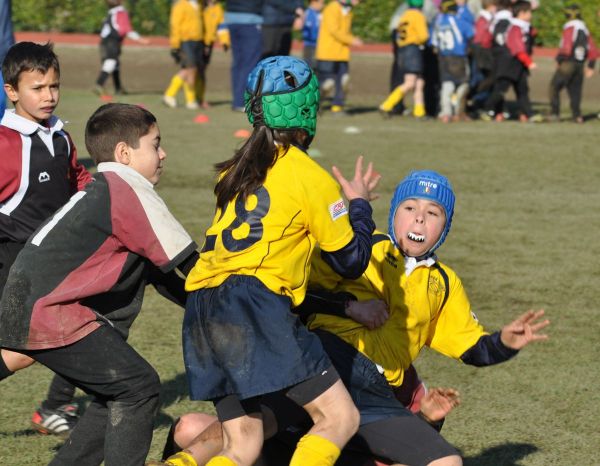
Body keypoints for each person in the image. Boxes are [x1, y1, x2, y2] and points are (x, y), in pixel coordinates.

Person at [182, 55, 380, 466]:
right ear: (307, 109)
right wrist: (358, 206)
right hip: (253, 302)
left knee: (243, 442)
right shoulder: (311, 177)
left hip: (201, 305)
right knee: (339, 417)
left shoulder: (232, 172)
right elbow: (351, 262)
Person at [0, 102, 199, 466]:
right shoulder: (129, 189)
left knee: (115, 393)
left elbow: (159, 273)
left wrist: (200, 304)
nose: (163, 153)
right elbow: (191, 264)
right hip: (48, 310)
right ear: (124, 153)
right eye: (155, 144)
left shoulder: (104, 185)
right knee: (138, 387)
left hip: (32, 302)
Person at [0, 41, 92, 438]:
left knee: (84, 325)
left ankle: (56, 406)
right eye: (37, 88)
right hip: (13, 266)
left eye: (54, 86)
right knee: (25, 351)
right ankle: (55, 407)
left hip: (52, 263)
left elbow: (77, 182)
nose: (49, 96)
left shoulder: (59, 136)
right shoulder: (5, 144)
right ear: (12, 91)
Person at [482, 0, 539, 122]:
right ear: (522, 13)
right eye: (529, 12)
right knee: (501, 89)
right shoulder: (515, 27)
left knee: (523, 90)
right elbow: (517, 47)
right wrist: (529, 62)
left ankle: (529, 114)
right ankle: (487, 109)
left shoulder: (521, 26)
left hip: (518, 64)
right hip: (509, 64)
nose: (531, 15)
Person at [548, 3, 599, 123]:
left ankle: (555, 114)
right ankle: (577, 116)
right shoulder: (584, 29)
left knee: (554, 87)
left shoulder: (570, 27)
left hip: (568, 62)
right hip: (580, 64)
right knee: (575, 91)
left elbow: (566, 46)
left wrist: (559, 59)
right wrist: (591, 65)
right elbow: (593, 49)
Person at [378, 0, 429, 119]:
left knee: (419, 83)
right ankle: (386, 105)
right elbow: (423, 36)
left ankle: (419, 112)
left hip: (403, 50)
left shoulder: (405, 15)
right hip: (413, 50)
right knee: (410, 82)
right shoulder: (418, 16)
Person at [315, 0, 363, 115]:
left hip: (341, 53)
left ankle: (337, 106)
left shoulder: (347, 10)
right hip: (328, 53)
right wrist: (352, 40)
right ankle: (312, 105)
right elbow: (334, 30)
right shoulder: (332, 8)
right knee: (327, 83)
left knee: (343, 80)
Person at [430, 0, 474, 122]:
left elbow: (433, 43)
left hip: (443, 57)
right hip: (458, 57)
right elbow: (471, 35)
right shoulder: (460, 21)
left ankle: (445, 112)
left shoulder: (438, 23)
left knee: (446, 84)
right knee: (464, 83)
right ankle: (458, 108)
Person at [94, 0, 149, 96]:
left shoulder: (111, 13)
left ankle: (118, 88)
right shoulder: (121, 12)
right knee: (111, 62)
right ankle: (99, 84)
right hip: (112, 41)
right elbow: (126, 30)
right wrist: (140, 40)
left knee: (115, 64)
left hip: (105, 42)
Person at [163, 0, 205, 110]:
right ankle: (169, 95)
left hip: (197, 41)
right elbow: (175, 25)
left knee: (192, 70)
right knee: (188, 69)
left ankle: (190, 100)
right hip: (185, 41)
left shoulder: (199, 4)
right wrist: (175, 45)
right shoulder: (181, 5)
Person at [224, 0, 264, 112]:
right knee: (249, 62)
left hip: (231, 17)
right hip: (250, 18)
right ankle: (241, 102)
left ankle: (237, 101)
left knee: (238, 62)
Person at [201, 0, 230, 108]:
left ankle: (199, 99)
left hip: (209, 43)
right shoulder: (200, 6)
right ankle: (193, 99)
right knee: (192, 69)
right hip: (197, 41)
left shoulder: (218, 9)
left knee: (202, 71)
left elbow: (222, 27)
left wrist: (225, 41)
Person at [469, 0, 497, 112]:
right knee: (480, 78)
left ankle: (478, 100)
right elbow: (479, 38)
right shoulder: (483, 19)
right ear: (490, 6)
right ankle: (475, 100)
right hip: (482, 52)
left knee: (485, 78)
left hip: (483, 51)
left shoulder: (487, 18)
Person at [301, 0, 325, 69]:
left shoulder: (319, 14)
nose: (323, 5)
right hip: (309, 45)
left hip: (318, 45)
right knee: (309, 66)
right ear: (313, 2)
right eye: (321, 3)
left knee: (317, 66)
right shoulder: (307, 13)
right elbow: (307, 31)